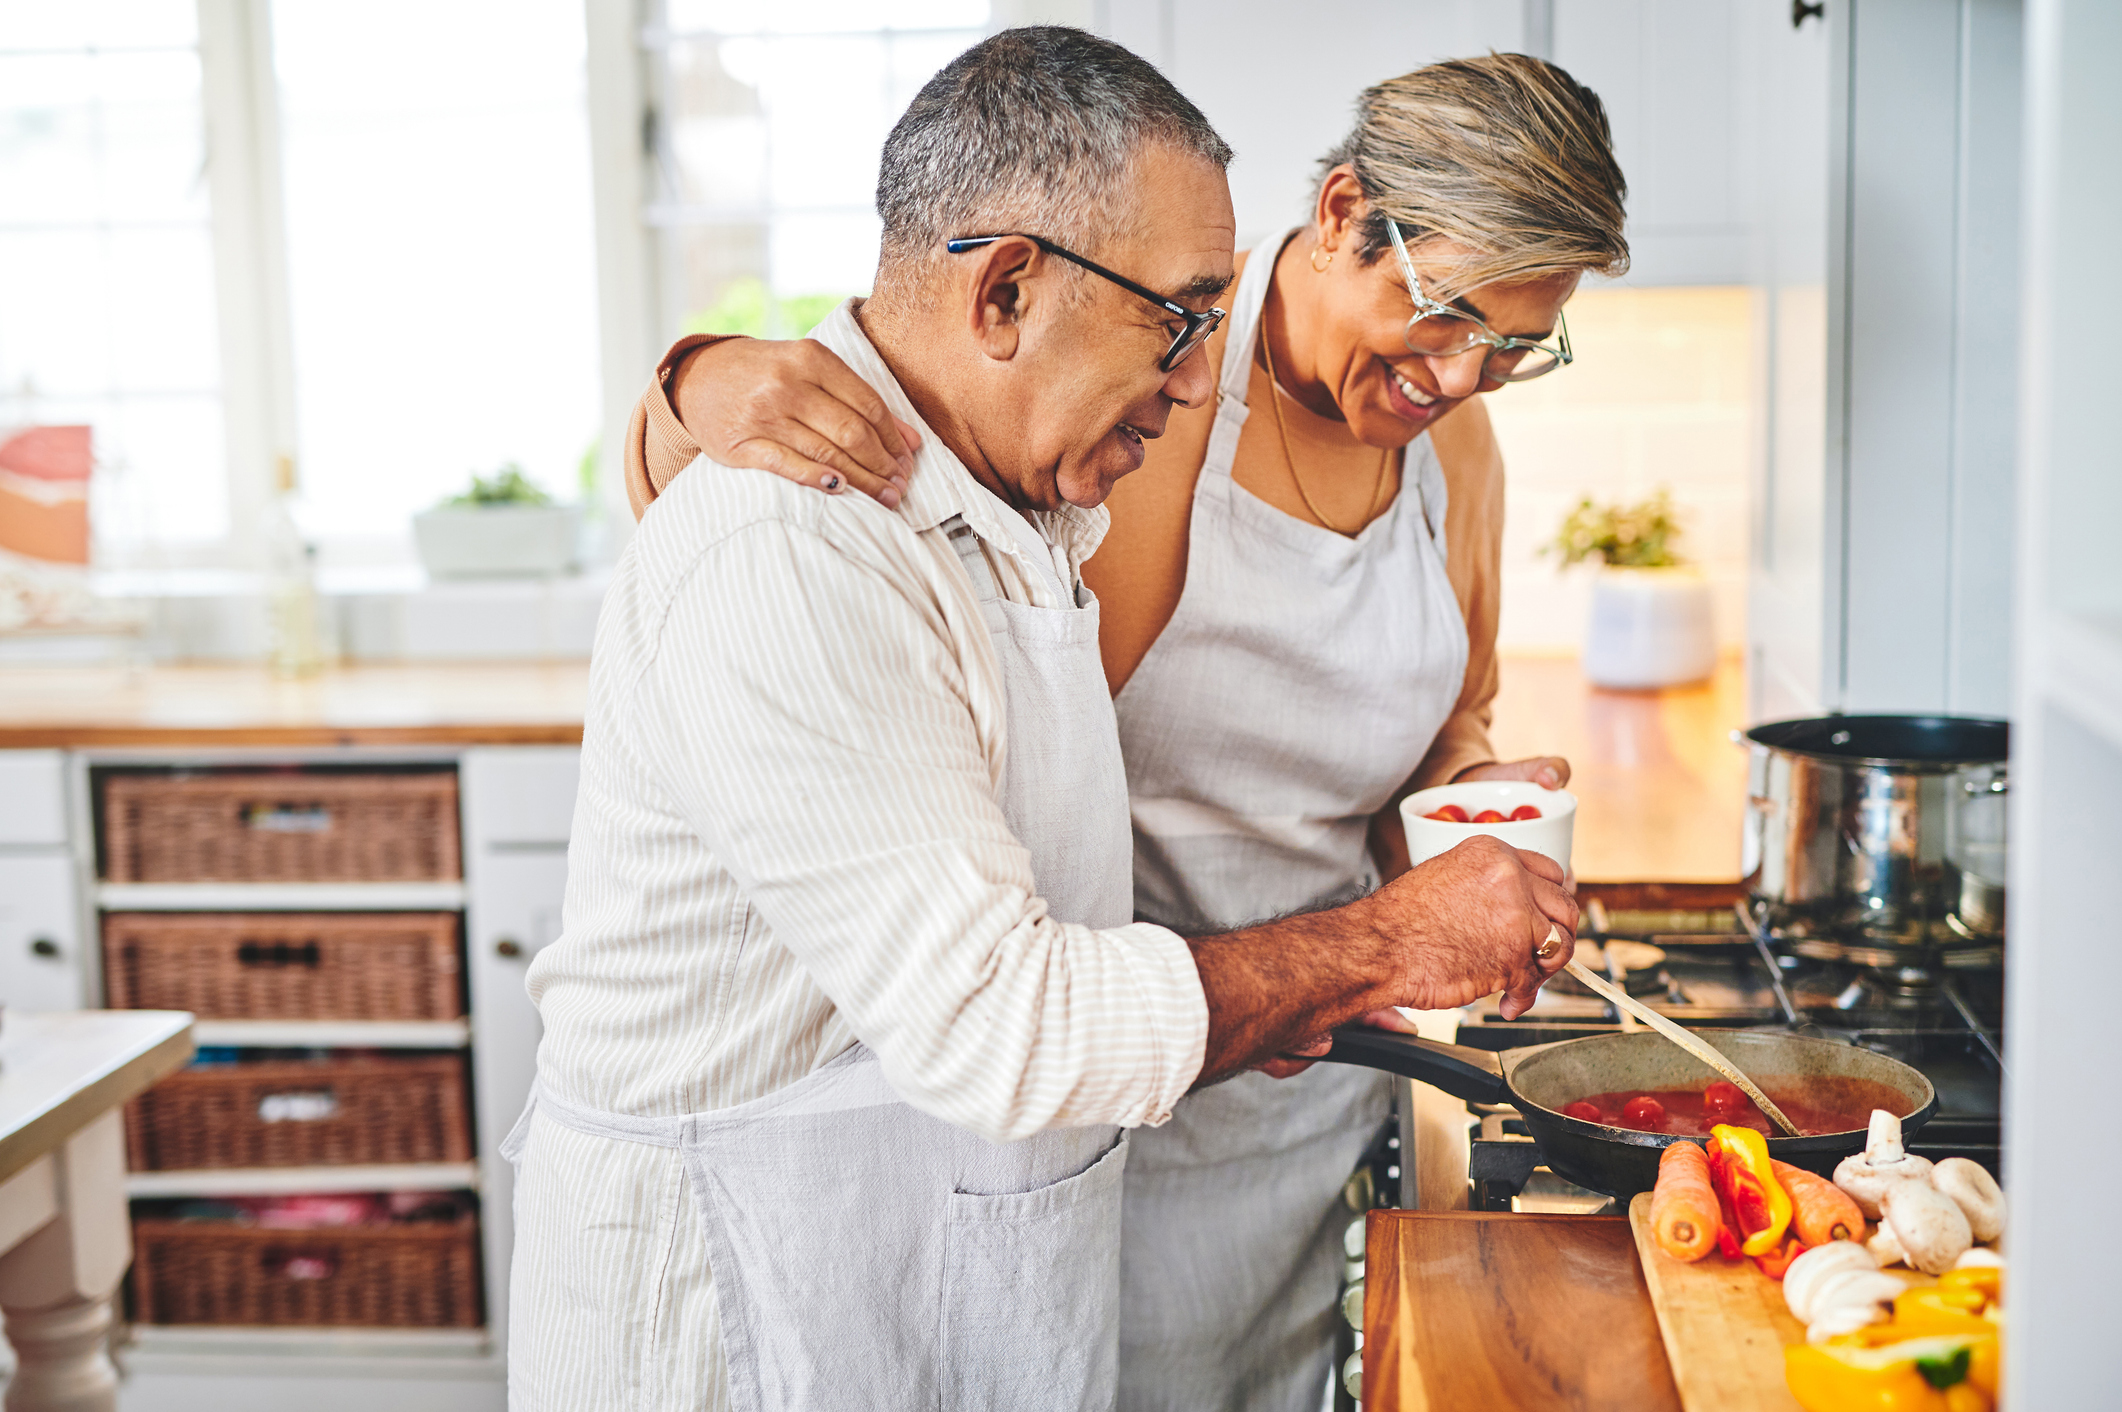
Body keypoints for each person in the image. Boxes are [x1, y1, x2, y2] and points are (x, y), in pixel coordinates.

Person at [509, 29, 1578, 1412]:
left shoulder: (1034, 493)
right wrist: (1381, 945)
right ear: (1005, 290)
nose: (1198, 376)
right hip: (746, 1284)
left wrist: (1437, 850)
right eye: (1180, 316)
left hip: (1034, 1158)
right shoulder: (803, 539)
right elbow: (1000, 1018)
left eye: (1513, 348)